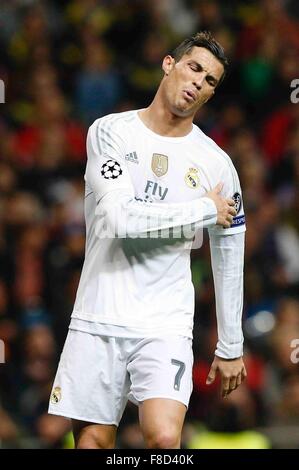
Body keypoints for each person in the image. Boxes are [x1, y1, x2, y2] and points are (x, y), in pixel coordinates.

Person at [48, 31, 247, 449]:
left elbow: (230, 251)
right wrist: (203, 209)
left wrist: (231, 345)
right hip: (99, 313)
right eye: (194, 68)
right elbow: (118, 219)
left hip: (165, 321)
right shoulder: (110, 134)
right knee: (93, 445)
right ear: (169, 64)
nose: (199, 83)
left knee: (162, 439)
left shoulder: (217, 164)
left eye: (211, 81)